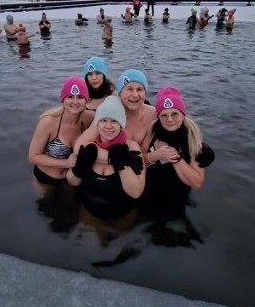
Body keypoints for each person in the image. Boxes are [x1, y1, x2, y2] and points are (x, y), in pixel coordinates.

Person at [66, 95, 145, 221]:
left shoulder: (131, 148)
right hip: (89, 215)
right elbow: (73, 181)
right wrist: (80, 168)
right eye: (103, 120)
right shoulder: (90, 148)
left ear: (121, 125)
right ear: (97, 124)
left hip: (123, 217)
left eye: (114, 121)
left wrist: (121, 164)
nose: (108, 126)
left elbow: (136, 193)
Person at [141, 87, 215, 219]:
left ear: (182, 114)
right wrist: (156, 155)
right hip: (151, 193)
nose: (169, 119)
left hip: (177, 198)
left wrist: (174, 157)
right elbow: (140, 158)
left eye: (174, 113)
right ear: (158, 117)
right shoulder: (153, 131)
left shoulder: (192, 139)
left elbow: (197, 183)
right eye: (164, 115)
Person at [28, 76, 93, 185]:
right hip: (46, 180)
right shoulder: (48, 122)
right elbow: (33, 157)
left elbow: (111, 117)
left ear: (86, 100)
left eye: (80, 97)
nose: (75, 102)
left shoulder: (89, 118)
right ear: (63, 99)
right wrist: (66, 163)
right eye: (70, 97)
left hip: (71, 180)